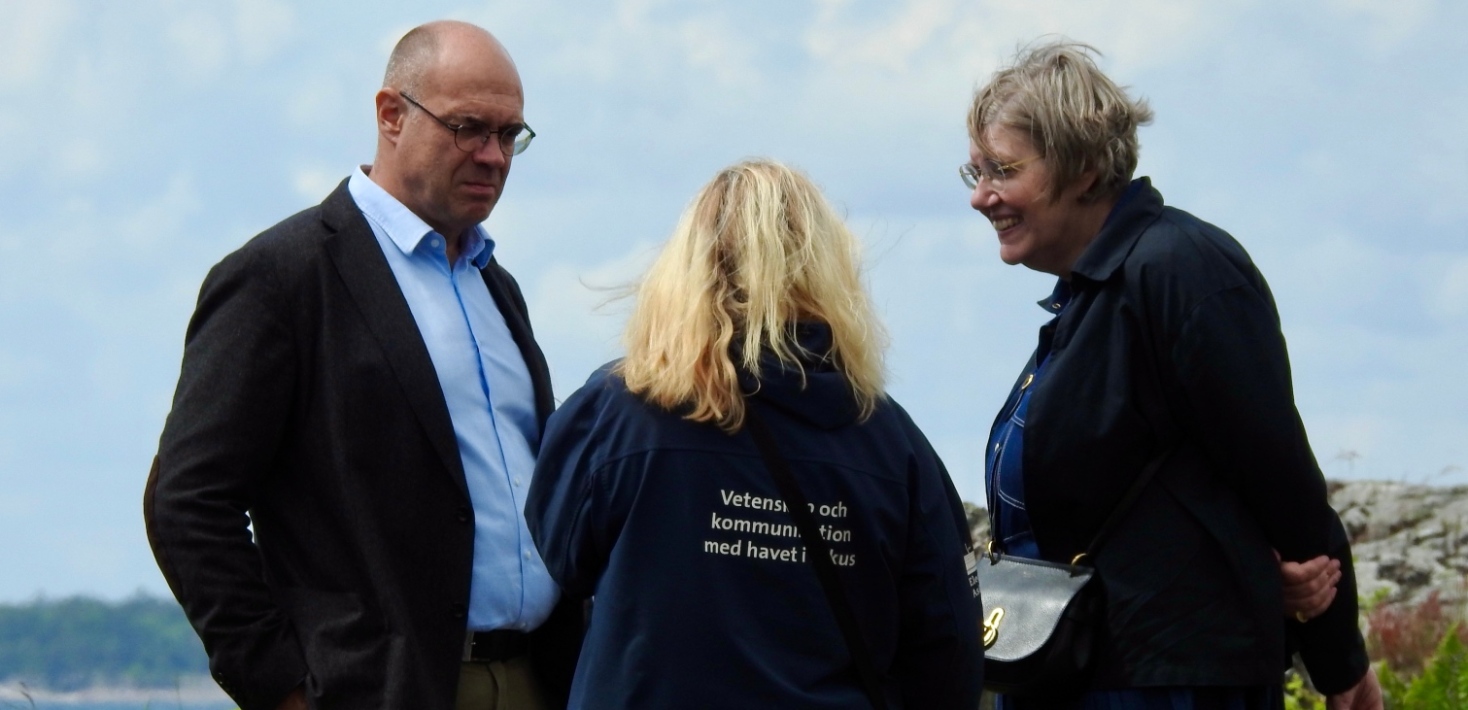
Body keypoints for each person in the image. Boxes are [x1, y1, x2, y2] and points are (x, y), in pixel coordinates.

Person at [144, 21, 581, 710]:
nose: (493, 156)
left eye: (509, 135)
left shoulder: (498, 287)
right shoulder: (281, 278)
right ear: (391, 114)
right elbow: (186, 502)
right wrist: (283, 687)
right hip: (376, 690)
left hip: (537, 677)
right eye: (469, 128)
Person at [964, 41, 1381, 709]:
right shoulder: (1093, 297)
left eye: (1003, 171)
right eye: (975, 172)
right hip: (1085, 677)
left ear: (1086, 167)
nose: (982, 198)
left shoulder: (1182, 271)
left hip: (1168, 681)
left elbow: (1278, 478)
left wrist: (1340, 663)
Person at [526, 160, 983, 709]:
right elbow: (949, 645)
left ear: (686, 263)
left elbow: (560, 555)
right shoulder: (891, 440)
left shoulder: (617, 412)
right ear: (827, 266)